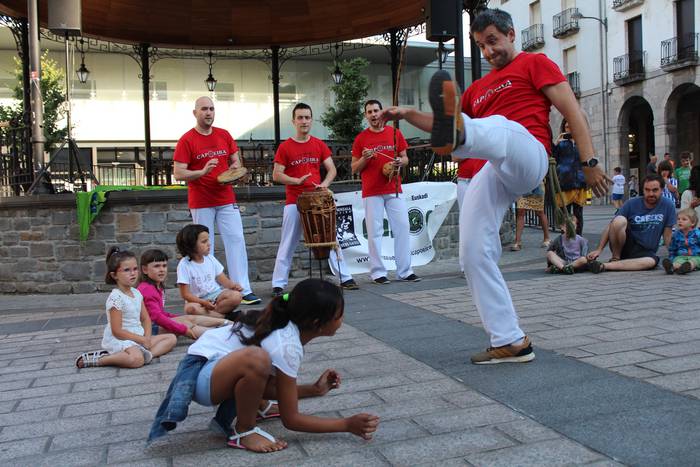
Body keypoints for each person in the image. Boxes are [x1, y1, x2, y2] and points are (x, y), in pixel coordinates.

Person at [380, 8, 609, 364]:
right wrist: (409, 115)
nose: (488, 52)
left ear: (511, 34)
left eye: (493, 41)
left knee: (502, 128)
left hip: (528, 154)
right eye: (481, 46)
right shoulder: (476, 89)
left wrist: (589, 161)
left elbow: (573, 111)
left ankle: (463, 137)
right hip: (494, 169)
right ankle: (510, 340)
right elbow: (447, 120)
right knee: (472, 252)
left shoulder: (536, 63)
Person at [150, 279, 380, 452]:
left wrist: (314, 390)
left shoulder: (288, 330)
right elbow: (292, 420)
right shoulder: (287, 343)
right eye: (340, 314)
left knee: (261, 362)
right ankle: (244, 430)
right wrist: (346, 424)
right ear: (317, 323)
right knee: (257, 359)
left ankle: (258, 405)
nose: (342, 319)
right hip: (199, 377)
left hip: (214, 369)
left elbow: (277, 387)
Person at [173, 96, 261, 306]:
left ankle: (243, 289)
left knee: (236, 241)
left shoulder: (224, 135)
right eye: (204, 109)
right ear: (195, 113)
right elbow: (178, 173)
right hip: (201, 200)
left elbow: (235, 161)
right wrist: (202, 171)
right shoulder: (187, 139)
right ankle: (209, 291)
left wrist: (234, 170)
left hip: (225, 197)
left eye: (212, 109)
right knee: (203, 248)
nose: (209, 112)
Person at [271, 103, 357, 296]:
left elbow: (332, 169)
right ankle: (278, 284)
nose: (304, 121)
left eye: (307, 117)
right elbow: (277, 175)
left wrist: (325, 183)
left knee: (330, 239)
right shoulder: (285, 147)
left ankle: (346, 277)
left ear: (311, 120)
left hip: (318, 201)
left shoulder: (318, 144)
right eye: (300, 118)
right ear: (293, 121)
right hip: (295, 201)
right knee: (288, 243)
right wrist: (295, 180)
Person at [350, 99, 420, 284]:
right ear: (366, 115)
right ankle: (378, 272)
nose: (373, 114)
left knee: (403, 228)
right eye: (369, 111)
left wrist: (399, 161)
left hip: (394, 188)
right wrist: (365, 159)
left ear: (382, 113)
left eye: (376, 111)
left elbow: (405, 159)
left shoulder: (395, 133)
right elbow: (354, 168)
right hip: (372, 190)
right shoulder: (361, 138)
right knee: (374, 232)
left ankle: (405, 271)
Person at [75, 247, 177, 369]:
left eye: (135, 269)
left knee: (171, 338)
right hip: (122, 339)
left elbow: (146, 319)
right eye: (127, 270)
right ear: (114, 275)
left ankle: (147, 355)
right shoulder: (116, 298)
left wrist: (147, 338)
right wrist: (141, 339)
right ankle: (101, 359)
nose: (133, 273)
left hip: (139, 337)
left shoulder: (137, 293)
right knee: (136, 360)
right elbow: (117, 331)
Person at [587, 174, 675, 273]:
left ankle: (604, 266)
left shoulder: (668, 205)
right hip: (626, 245)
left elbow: (667, 235)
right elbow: (612, 225)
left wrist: (674, 256)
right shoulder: (631, 203)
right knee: (619, 220)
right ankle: (616, 258)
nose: (651, 194)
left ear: (662, 189)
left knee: (651, 262)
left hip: (646, 252)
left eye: (655, 190)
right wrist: (599, 249)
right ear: (643, 190)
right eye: (647, 190)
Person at [138, 249, 229, 339]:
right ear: (145, 269)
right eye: (157, 266)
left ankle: (227, 323)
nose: (162, 270)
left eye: (164, 266)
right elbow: (157, 318)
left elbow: (160, 313)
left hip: (155, 324)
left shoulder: (156, 287)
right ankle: (221, 335)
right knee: (187, 323)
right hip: (148, 329)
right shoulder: (147, 290)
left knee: (189, 318)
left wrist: (181, 318)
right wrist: (183, 329)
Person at [176, 224, 244, 320]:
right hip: (197, 300)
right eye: (204, 242)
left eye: (208, 240)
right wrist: (203, 302)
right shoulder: (184, 265)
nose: (209, 244)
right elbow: (185, 294)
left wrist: (233, 286)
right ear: (191, 245)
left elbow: (223, 279)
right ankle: (225, 317)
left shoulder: (210, 258)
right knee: (190, 309)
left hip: (216, 296)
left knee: (236, 296)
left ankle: (210, 317)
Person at [552, 120, 587, 235]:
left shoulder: (581, 142)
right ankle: (565, 241)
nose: (569, 129)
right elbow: (552, 157)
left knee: (579, 215)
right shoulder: (561, 143)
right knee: (564, 214)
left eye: (571, 126)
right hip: (564, 182)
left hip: (579, 182)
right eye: (566, 127)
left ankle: (579, 239)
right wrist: (556, 143)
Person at [511, 182, 550, 251]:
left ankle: (547, 238)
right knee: (520, 212)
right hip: (523, 186)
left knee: (539, 212)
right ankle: (517, 241)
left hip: (537, 185)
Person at [662, 208, 700, 274]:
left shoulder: (698, 234)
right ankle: (671, 267)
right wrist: (672, 258)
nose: (680, 221)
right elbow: (672, 248)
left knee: (694, 262)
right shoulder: (676, 235)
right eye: (678, 219)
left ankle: (686, 268)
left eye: (684, 219)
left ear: (692, 223)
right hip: (681, 256)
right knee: (677, 261)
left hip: (696, 256)